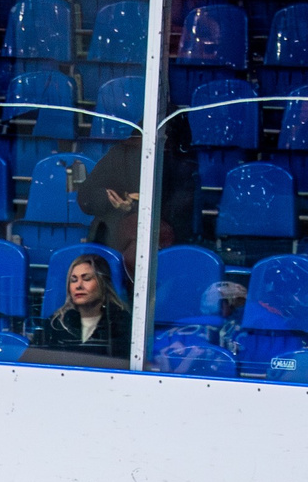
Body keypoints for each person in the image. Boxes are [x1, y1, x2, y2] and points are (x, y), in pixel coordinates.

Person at [80, 117, 197, 278]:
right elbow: (86, 198)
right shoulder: (119, 155)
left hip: (162, 245)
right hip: (112, 243)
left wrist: (141, 205)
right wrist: (113, 201)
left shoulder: (181, 164)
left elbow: (182, 208)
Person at [28, 250, 133, 363]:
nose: (78, 286)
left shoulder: (122, 324)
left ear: (103, 284)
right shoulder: (55, 324)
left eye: (86, 279)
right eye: (73, 280)